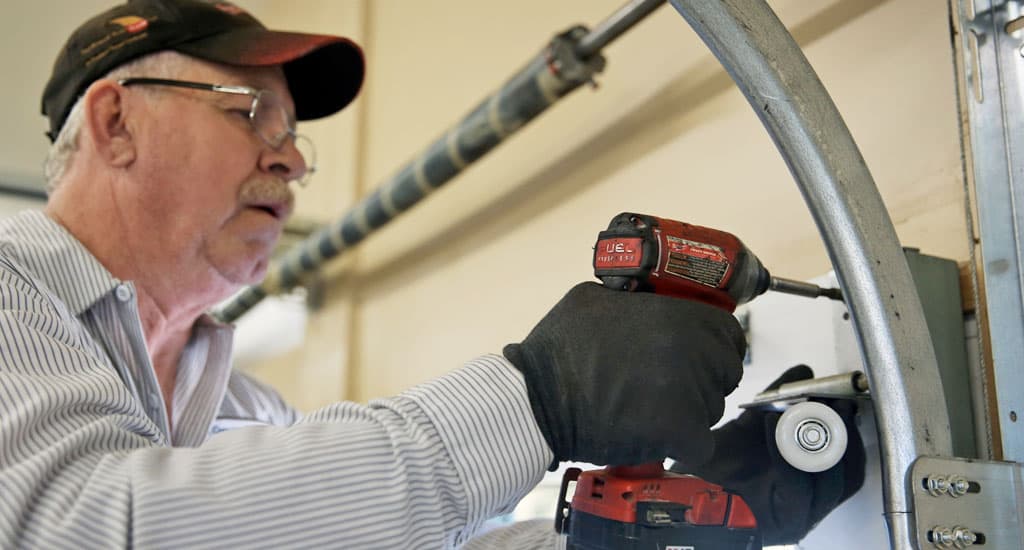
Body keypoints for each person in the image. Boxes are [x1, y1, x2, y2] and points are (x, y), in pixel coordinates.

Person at [0, 0, 860, 548]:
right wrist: (541, 397)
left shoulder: (240, 406)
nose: (294, 160)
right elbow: (78, 526)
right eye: (254, 111)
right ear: (115, 124)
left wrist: (623, 535)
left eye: (296, 133)